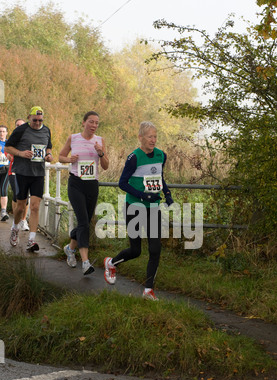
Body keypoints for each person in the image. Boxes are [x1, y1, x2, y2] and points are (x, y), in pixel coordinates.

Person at [103, 121, 174, 301]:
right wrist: (143, 196)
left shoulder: (161, 155)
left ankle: (148, 290)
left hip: (153, 208)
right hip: (135, 207)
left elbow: (159, 177)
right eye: (150, 136)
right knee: (136, 250)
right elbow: (122, 183)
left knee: (155, 249)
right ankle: (111, 263)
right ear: (140, 137)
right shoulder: (133, 157)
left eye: (155, 136)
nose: (153, 140)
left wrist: (166, 192)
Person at [58, 111, 109, 275]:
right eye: (91, 122)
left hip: (92, 185)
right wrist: (69, 159)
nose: (94, 125)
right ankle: (85, 262)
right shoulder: (73, 138)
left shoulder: (100, 141)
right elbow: (60, 156)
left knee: (84, 222)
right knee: (83, 222)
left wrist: (101, 153)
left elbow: (106, 165)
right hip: (76, 184)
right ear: (83, 123)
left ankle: (70, 249)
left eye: (97, 123)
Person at [4, 106, 53, 251]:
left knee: (35, 206)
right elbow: (7, 148)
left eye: (40, 120)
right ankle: (15, 228)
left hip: (38, 173)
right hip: (22, 172)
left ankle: (31, 240)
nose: (38, 123)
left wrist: (49, 155)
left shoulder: (46, 130)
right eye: (35, 120)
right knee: (20, 207)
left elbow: (49, 147)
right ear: (28, 117)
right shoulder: (21, 130)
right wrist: (20, 153)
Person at [8, 119, 29, 231]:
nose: (19, 127)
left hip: (27, 171)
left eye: (21, 125)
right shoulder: (13, 137)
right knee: (17, 196)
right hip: (14, 170)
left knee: (26, 197)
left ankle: (23, 220)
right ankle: (16, 221)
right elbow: (7, 150)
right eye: (17, 125)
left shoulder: (29, 136)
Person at [0, 125, 9, 221]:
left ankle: (3, 211)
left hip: (6, 169)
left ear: (6, 133)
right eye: (0, 131)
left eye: (3, 131)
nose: (1, 133)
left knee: (3, 189)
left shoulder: (9, 144)